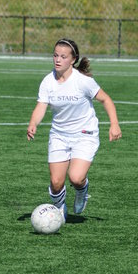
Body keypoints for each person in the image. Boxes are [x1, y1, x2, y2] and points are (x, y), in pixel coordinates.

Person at [27, 38, 122, 219]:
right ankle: (59, 208)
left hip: (84, 134)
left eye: (63, 57)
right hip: (59, 135)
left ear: (73, 60)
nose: (58, 60)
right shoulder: (48, 81)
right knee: (56, 182)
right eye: (55, 55)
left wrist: (114, 124)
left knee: (76, 178)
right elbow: (41, 105)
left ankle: (82, 190)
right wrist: (33, 124)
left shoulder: (83, 81)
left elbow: (106, 99)